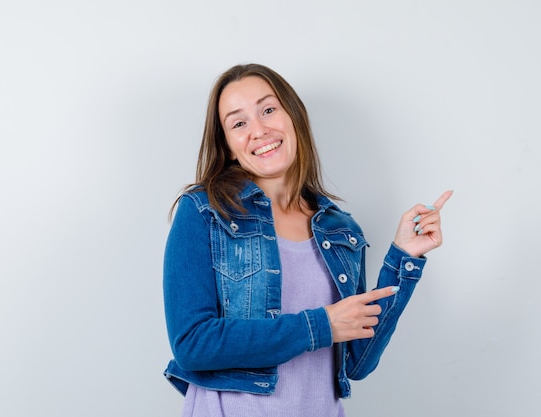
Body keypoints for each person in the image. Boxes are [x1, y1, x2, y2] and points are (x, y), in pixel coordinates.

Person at [163, 63, 452, 417]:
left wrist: (404, 258)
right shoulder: (204, 212)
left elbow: (357, 363)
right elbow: (192, 344)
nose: (259, 130)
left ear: (293, 116)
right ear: (228, 147)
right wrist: (319, 325)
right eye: (239, 123)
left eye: (268, 110)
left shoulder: (340, 230)